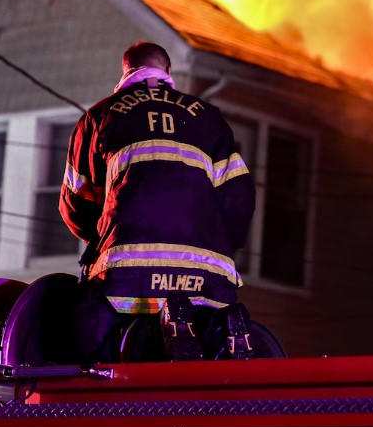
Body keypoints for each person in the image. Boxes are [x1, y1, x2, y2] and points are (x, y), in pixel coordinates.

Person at [59, 41, 257, 360]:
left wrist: (105, 236)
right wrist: (217, 245)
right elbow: (239, 199)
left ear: (126, 72)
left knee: (84, 347)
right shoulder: (209, 118)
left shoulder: (99, 117)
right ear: (167, 72)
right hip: (208, 276)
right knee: (212, 334)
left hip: (128, 270)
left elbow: (76, 205)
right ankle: (225, 337)